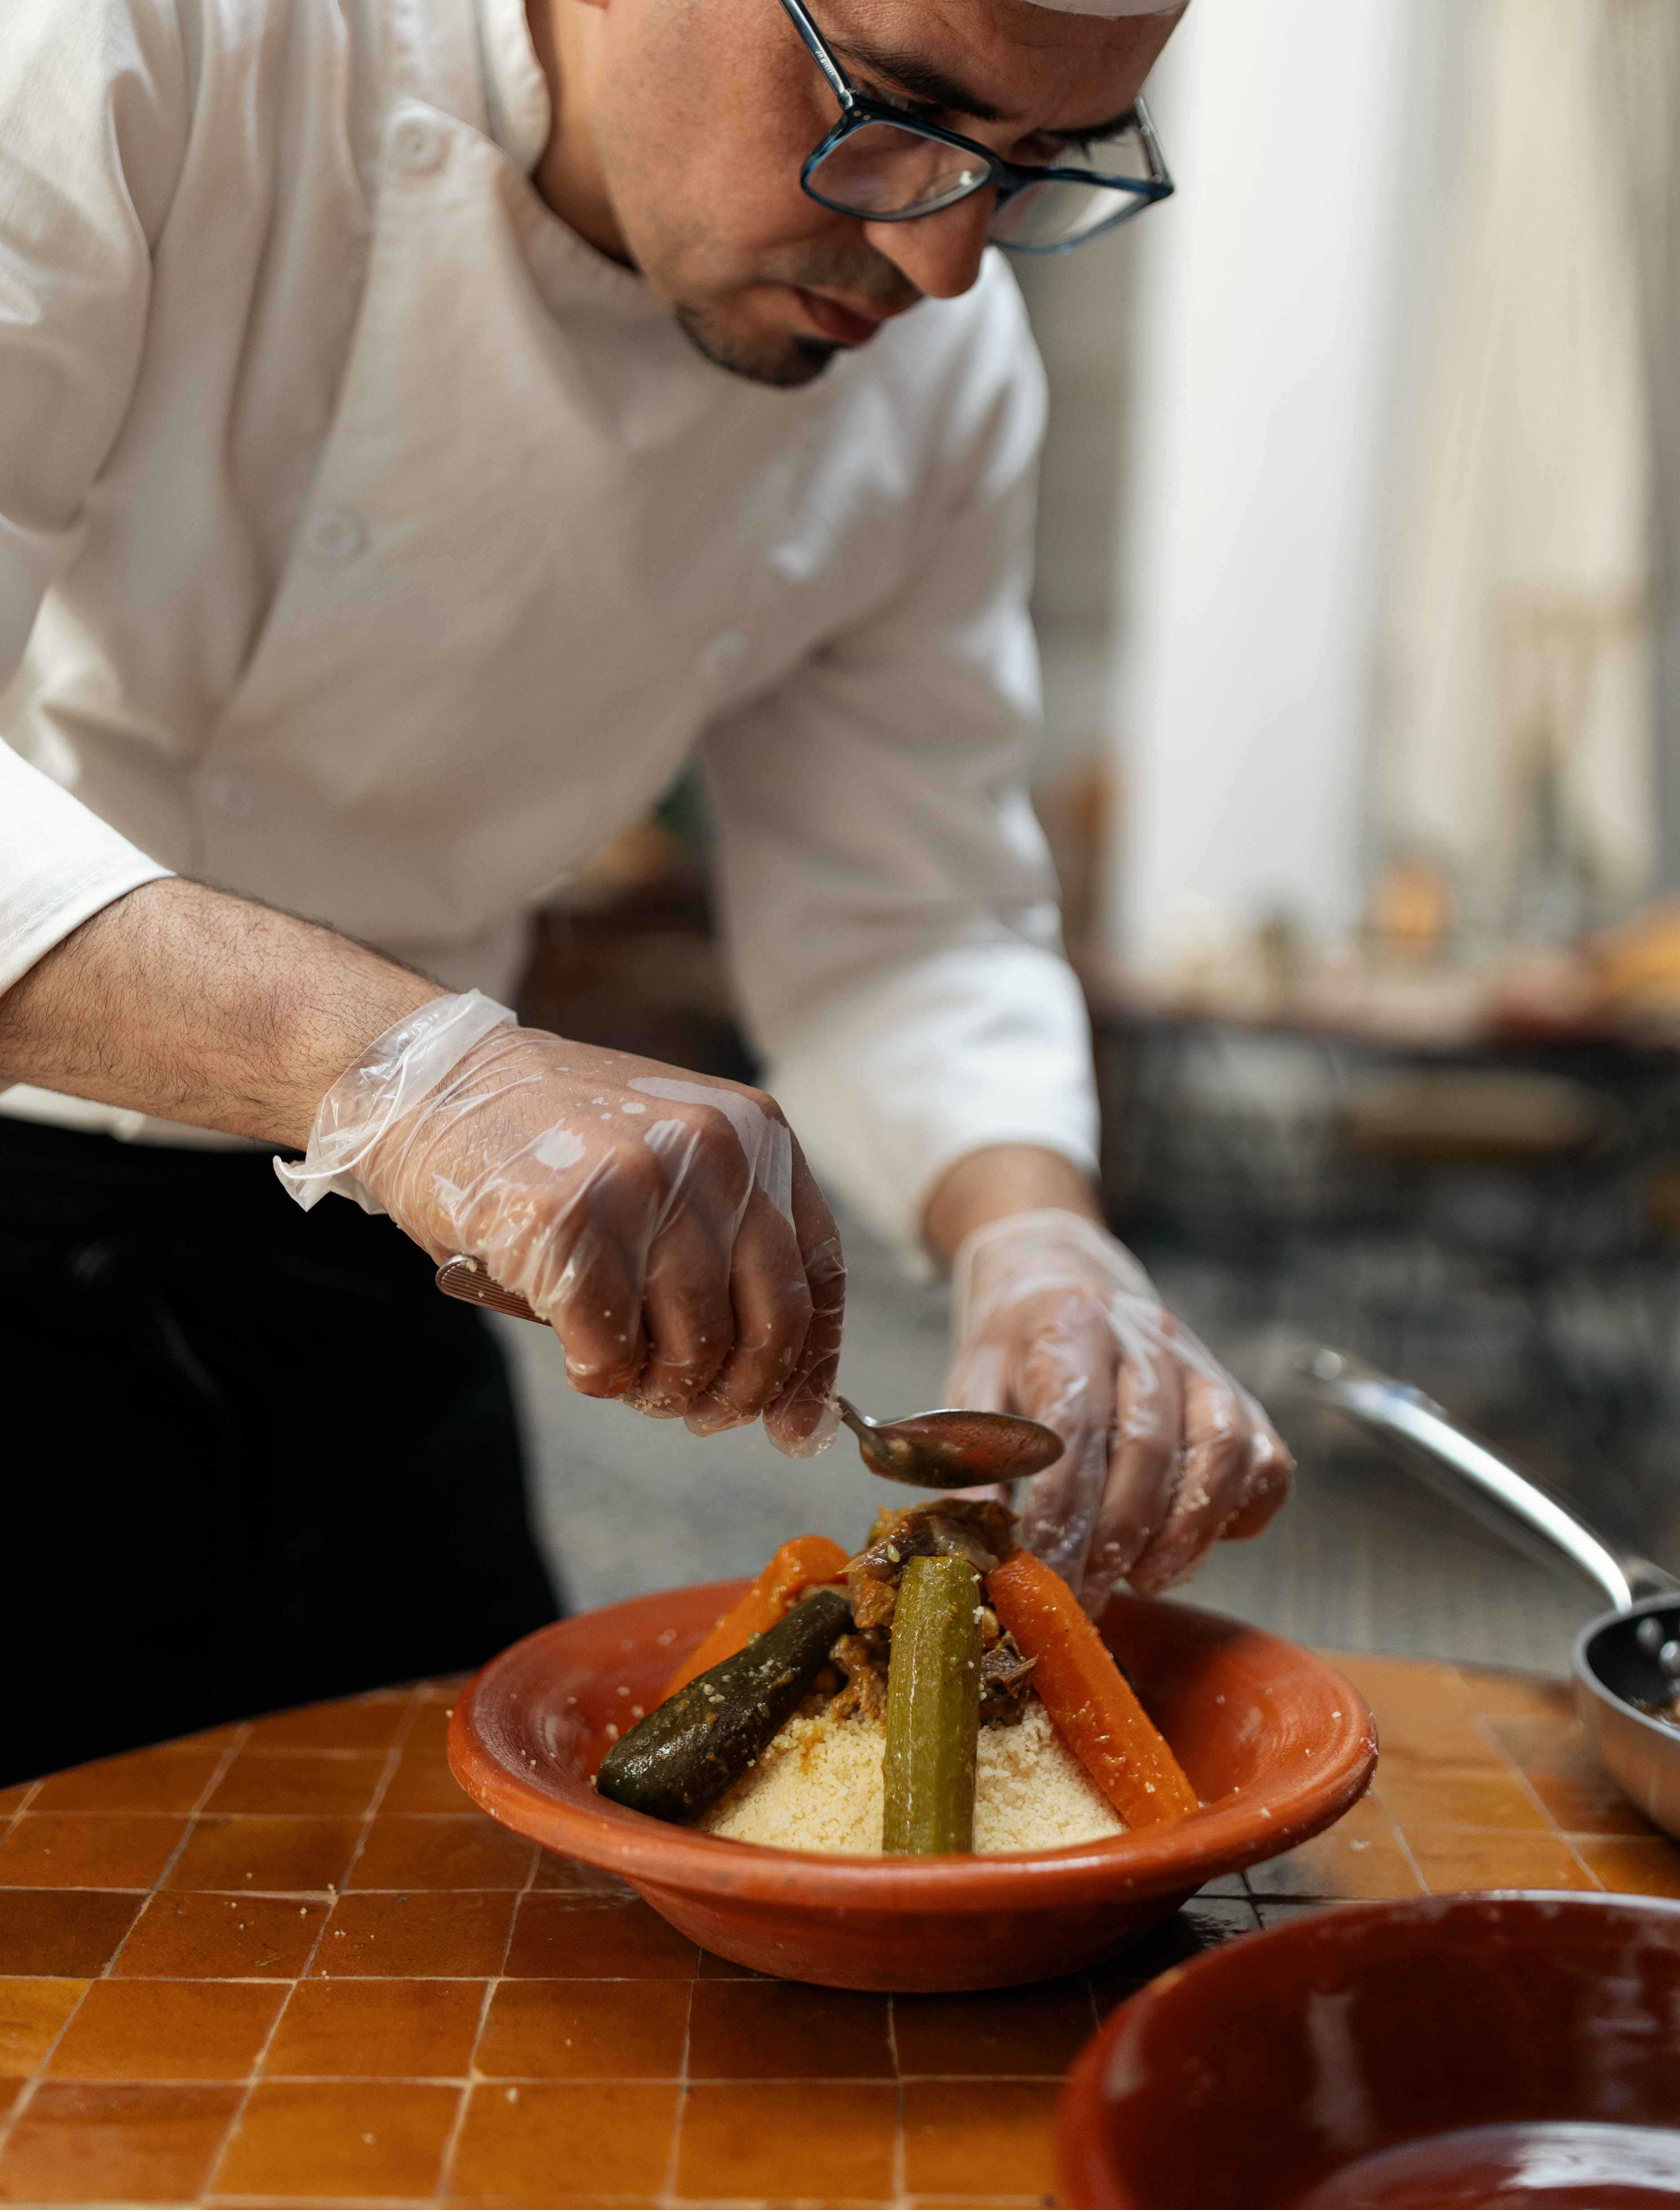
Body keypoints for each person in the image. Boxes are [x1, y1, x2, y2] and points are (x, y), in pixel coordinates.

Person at [0, 0, 1293, 1782]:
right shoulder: (134, 52)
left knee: (481, 1888)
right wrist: (421, 1077)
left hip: (368, 1265)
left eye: (1035, 164)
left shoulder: (940, 377)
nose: (940, 262)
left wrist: (1032, 1231)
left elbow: (906, 912)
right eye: (893, 109)